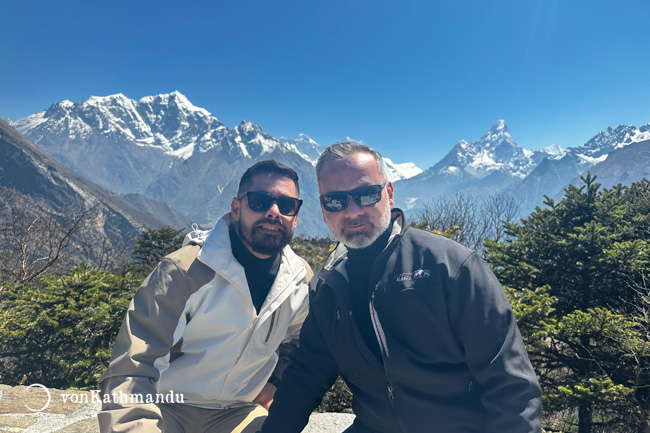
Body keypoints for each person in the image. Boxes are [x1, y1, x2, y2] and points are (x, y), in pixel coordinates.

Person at [259, 142, 542, 433]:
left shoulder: (451, 268)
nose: (352, 210)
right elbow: (306, 375)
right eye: (335, 201)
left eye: (366, 194)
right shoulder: (328, 287)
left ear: (389, 194)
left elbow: (512, 387)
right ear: (322, 208)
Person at [98, 160, 312, 433]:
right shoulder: (185, 270)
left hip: (239, 411)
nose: (273, 212)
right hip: (165, 407)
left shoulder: (299, 279)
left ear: (295, 216)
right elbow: (134, 366)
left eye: (286, 205)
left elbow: (301, 345)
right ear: (236, 208)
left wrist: (276, 384)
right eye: (260, 201)